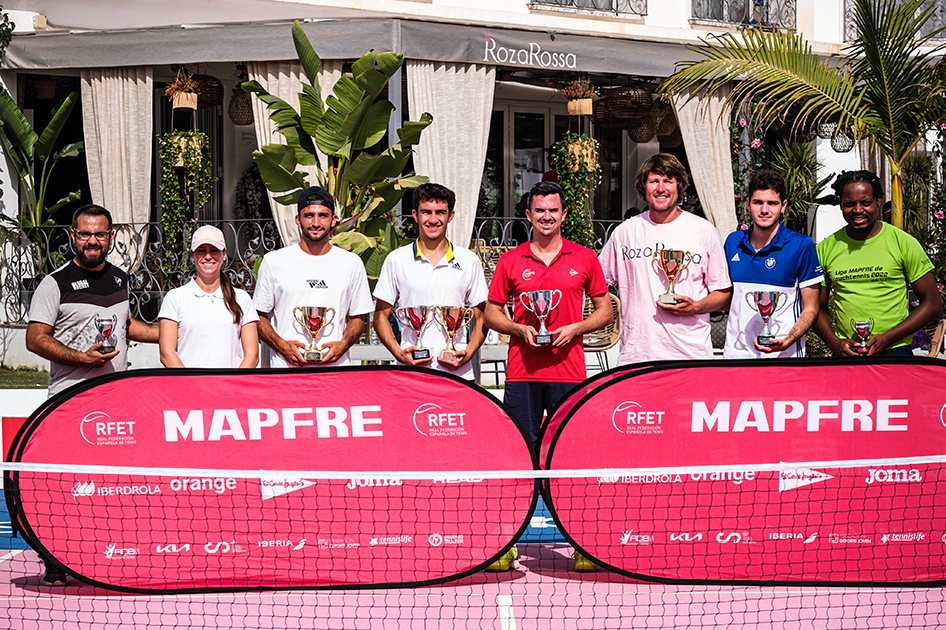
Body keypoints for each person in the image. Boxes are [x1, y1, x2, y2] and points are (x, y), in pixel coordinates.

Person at [25, 203, 159, 585]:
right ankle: (53, 557)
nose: (92, 241)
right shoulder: (55, 283)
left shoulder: (119, 279)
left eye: (99, 234)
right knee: (65, 486)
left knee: (113, 484)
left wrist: (178, 331)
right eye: (85, 234)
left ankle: (107, 556)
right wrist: (81, 360)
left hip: (115, 401)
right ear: (73, 237)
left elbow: (127, 326)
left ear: (111, 237)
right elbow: (35, 338)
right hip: (68, 402)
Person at [484, 180, 611, 572]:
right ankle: (505, 543)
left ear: (564, 214)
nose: (546, 216)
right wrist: (518, 329)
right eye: (539, 210)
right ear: (528, 214)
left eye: (553, 210)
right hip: (522, 373)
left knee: (569, 458)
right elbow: (491, 313)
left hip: (569, 373)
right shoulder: (510, 261)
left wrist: (576, 329)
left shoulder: (585, 257)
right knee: (518, 459)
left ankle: (581, 544)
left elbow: (605, 311)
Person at [598, 153, 732, 363]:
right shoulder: (625, 232)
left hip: (691, 357)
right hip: (637, 358)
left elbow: (724, 295)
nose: (661, 188)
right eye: (654, 181)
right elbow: (597, 282)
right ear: (644, 186)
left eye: (668, 181)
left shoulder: (704, 231)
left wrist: (696, 306)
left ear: (679, 186)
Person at [813, 170, 942, 356]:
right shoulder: (826, 248)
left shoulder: (903, 242)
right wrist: (834, 342)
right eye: (849, 204)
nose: (858, 210)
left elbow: (932, 303)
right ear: (841, 204)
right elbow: (817, 309)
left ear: (878, 201)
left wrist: (889, 337)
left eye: (865, 203)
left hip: (895, 350)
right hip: (847, 353)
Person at [373, 183, 488, 380]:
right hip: (411, 373)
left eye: (440, 213)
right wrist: (398, 353)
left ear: (450, 216)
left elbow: (482, 316)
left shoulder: (469, 260)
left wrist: (468, 352)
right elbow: (380, 317)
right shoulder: (396, 259)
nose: (433, 220)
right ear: (415, 215)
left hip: (457, 374)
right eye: (426, 212)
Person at [253, 186, 374, 367]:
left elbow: (357, 318)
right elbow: (258, 316)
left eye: (323, 215)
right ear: (298, 220)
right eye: (309, 215)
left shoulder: (351, 263)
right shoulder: (274, 262)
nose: (316, 223)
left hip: (335, 373)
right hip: (286, 371)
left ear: (333, 220)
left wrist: (343, 345)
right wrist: (282, 345)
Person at [723, 170, 822, 358]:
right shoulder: (732, 242)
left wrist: (787, 340)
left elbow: (811, 308)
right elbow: (725, 296)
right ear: (748, 204)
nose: (765, 210)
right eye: (758, 202)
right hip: (736, 357)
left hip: (784, 357)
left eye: (772, 203)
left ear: (783, 206)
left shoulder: (801, 245)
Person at [158, 225, 259, 368]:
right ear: (193, 256)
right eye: (201, 250)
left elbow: (252, 356)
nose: (208, 256)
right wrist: (192, 387)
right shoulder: (175, 298)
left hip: (229, 388)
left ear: (224, 254)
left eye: (214, 250)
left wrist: (232, 386)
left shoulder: (241, 298)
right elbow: (167, 354)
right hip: (188, 388)